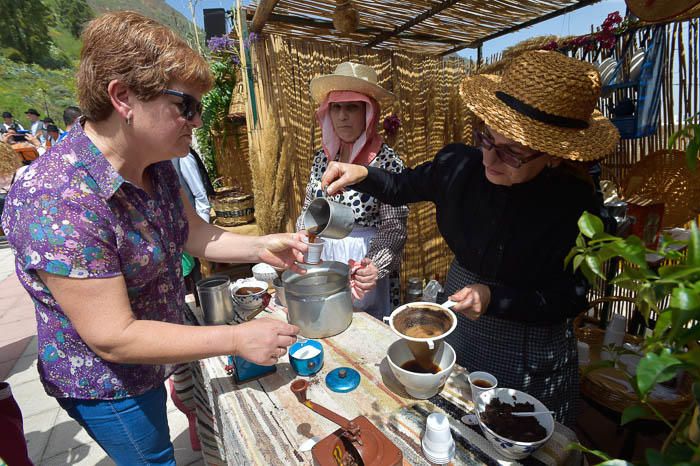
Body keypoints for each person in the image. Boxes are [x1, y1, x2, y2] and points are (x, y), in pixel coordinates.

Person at [1, 12, 307, 465]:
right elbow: (114, 337)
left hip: (155, 351)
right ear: (123, 97)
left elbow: (194, 233)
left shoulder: (155, 164)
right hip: (109, 383)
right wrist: (236, 338)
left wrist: (262, 245)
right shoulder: (58, 197)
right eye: (186, 106)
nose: (197, 122)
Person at [321, 51, 620, 426]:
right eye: (487, 139)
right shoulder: (459, 166)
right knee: (458, 413)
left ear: (554, 157)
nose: (490, 160)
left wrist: (497, 298)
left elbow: (572, 295)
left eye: (512, 152)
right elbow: (402, 186)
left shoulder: (577, 207)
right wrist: (361, 172)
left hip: (530, 338)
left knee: (519, 429)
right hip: (463, 308)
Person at [296, 62, 408, 320]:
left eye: (352, 107)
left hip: (364, 263)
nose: (342, 116)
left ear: (368, 113)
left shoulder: (386, 162)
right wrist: (301, 234)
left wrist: (374, 265)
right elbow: (308, 209)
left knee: (366, 330)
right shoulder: (321, 159)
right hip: (326, 259)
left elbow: (394, 227)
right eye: (336, 107)